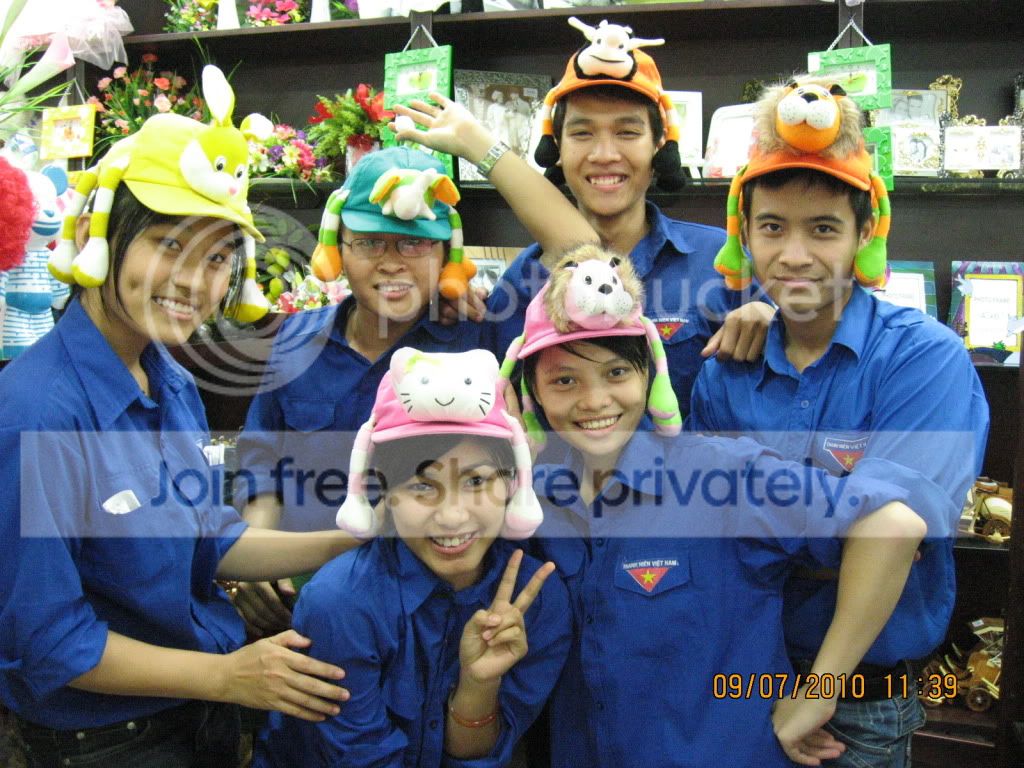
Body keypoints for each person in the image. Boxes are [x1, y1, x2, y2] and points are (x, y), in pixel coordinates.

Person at [0, 67, 358, 768]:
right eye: (170, 245)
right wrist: (227, 676)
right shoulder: (38, 412)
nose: (196, 282)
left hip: (196, 718)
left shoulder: (169, 380)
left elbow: (209, 536)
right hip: (102, 745)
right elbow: (47, 641)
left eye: (219, 257)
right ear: (103, 234)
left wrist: (348, 542)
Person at [498, 242, 948, 768]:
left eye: (617, 373)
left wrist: (820, 691)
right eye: (564, 380)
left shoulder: (722, 476)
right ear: (531, 391)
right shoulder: (532, 499)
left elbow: (893, 523)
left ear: (649, 375)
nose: (595, 400)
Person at [690, 77, 989, 766]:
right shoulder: (726, 369)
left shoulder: (922, 357)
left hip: (859, 696)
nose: (794, 254)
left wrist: (819, 690)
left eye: (823, 228)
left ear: (863, 235)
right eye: (772, 227)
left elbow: (894, 526)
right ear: (744, 234)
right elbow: (711, 529)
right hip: (740, 671)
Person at [232, 137, 596, 635]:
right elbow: (261, 462)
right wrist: (258, 555)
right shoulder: (295, 339)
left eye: (415, 244)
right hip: (306, 597)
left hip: (448, 612)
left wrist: (478, 144)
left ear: (447, 253)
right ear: (338, 246)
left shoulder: (482, 335)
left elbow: (580, 250)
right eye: (369, 243)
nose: (392, 262)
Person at [255, 347, 570, 766]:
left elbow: (481, 754)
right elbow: (361, 756)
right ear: (383, 491)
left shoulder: (537, 602)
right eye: (422, 486)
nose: (452, 516)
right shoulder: (340, 605)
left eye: (476, 481)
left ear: (513, 483)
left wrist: (478, 686)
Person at [483, 16, 777, 411]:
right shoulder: (525, 278)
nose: (604, 154)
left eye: (627, 132)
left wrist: (773, 320)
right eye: (582, 133)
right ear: (557, 148)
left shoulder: (722, 261)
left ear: (659, 144)